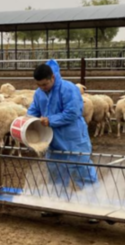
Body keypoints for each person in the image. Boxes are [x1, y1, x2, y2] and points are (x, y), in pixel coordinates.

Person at [27, 60, 97, 206]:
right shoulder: (39, 93)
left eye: (45, 84)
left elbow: (73, 113)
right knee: (55, 174)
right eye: (39, 85)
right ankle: (57, 204)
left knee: (82, 171)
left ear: (52, 78)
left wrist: (50, 120)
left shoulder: (68, 88)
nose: (42, 88)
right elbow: (33, 111)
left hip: (74, 139)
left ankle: (94, 206)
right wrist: (26, 122)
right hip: (53, 141)